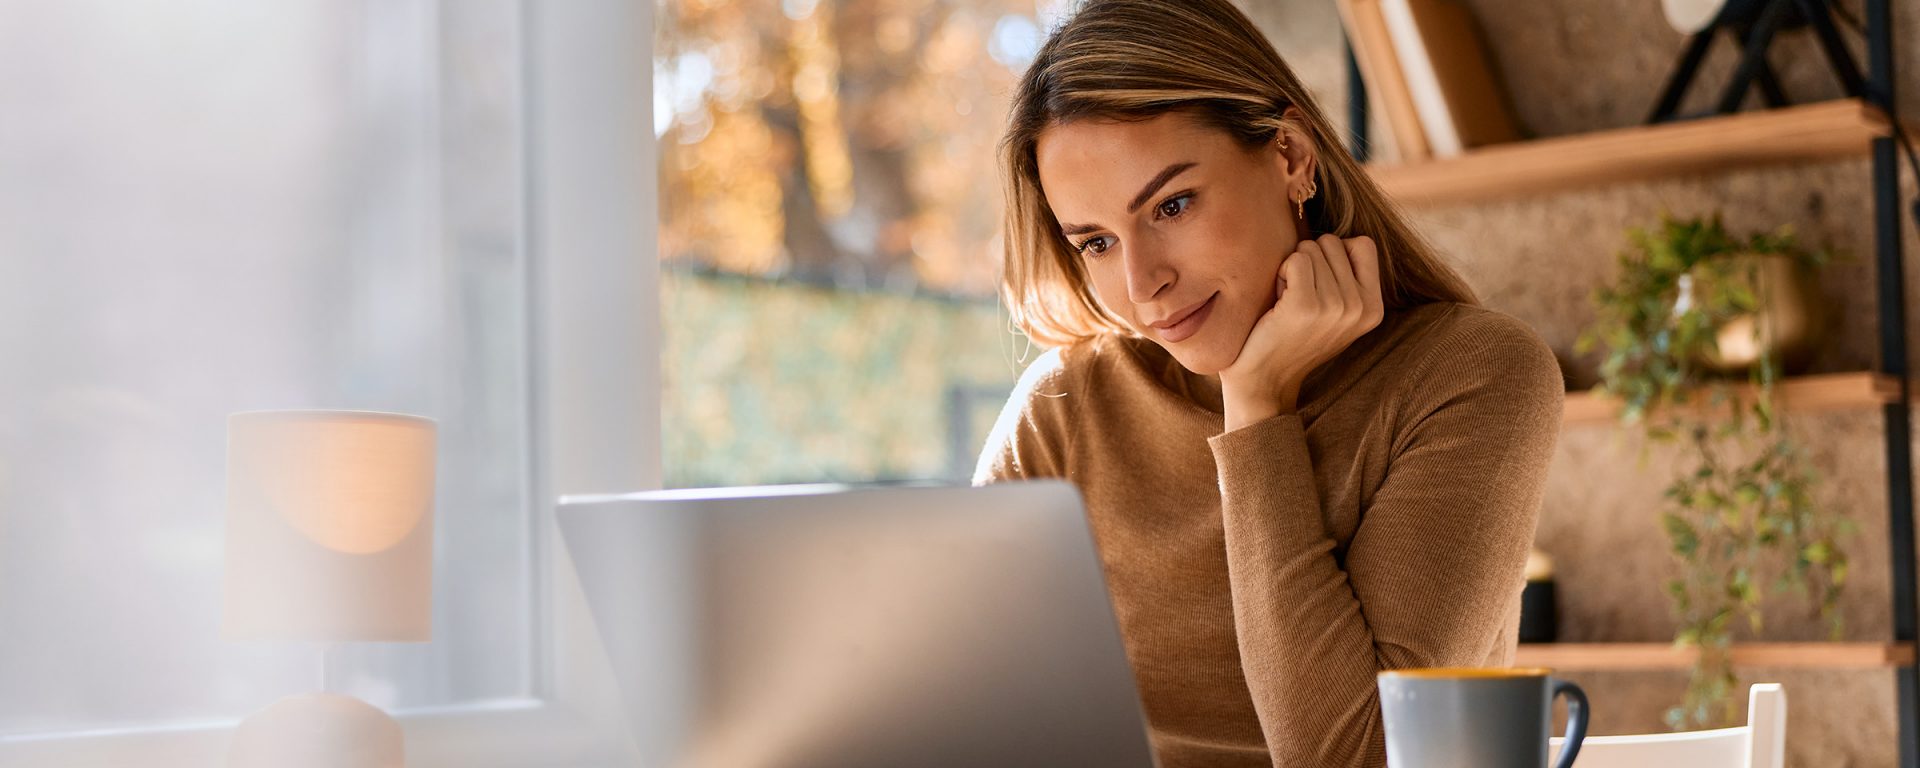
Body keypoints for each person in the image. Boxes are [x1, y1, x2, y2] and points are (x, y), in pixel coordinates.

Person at [972, 1, 1566, 766]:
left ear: (1290, 156)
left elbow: (1355, 758)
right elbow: (969, 717)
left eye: (1172, 205)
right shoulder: (1063, 412)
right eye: (1095, 241)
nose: (1142, 283)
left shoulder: (1472, 376)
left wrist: (1254, 412)